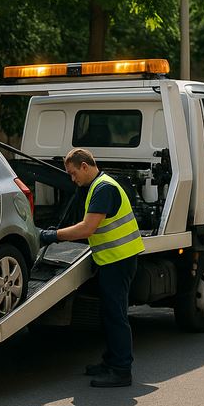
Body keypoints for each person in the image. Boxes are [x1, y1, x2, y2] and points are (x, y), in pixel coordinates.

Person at [39, 148, 145, 387]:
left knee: (116, 316)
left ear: (85, 166)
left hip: (118, 260)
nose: (72, 178)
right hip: (113, 259)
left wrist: (53, 235)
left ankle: (121, 370)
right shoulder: (99, 186)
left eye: (73, 173)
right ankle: (110, 362)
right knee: (108, 313)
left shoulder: (103, 188)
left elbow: (87, 228)